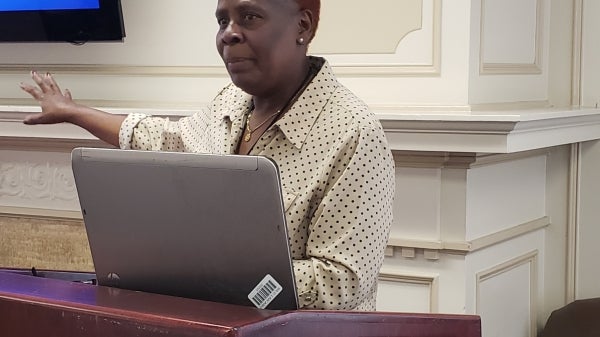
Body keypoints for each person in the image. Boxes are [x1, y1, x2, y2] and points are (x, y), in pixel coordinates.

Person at [19, 0, 395, 311]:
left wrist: (214, 272)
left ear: (303, 25)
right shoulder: (229, 104)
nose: (229, 33)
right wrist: (73, 111)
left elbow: (341, 282)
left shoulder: (353, 133)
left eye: (249, 16)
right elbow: (163, 140)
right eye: (222, 20)